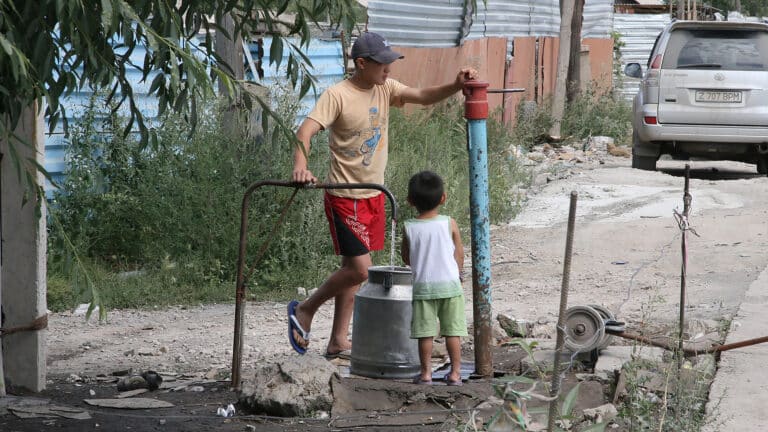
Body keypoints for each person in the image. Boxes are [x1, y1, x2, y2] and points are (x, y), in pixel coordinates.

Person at [287, 31, 477, 358]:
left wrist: (455, 85)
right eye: (382, 63)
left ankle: (337, 340)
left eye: (390, 62)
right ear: (361, 64)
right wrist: (300, 167)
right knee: (361, 270)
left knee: (353, 270)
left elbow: (422, 95)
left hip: (374, 195)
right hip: (344, 196)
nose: (388, 69)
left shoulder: (385, 88)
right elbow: (304, 131)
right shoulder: (337, 95)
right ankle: (306, 309)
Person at [401, 171, 467, 386]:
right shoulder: (450, 223)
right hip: (450, 286)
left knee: (425, 334)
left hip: (423, 287)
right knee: (452, 332)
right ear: (443, 198)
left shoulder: (409, 227)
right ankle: (455, 373)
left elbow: (406, 257)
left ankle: (426, 374)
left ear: (410, 201)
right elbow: (459, 253)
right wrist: (458, 273)